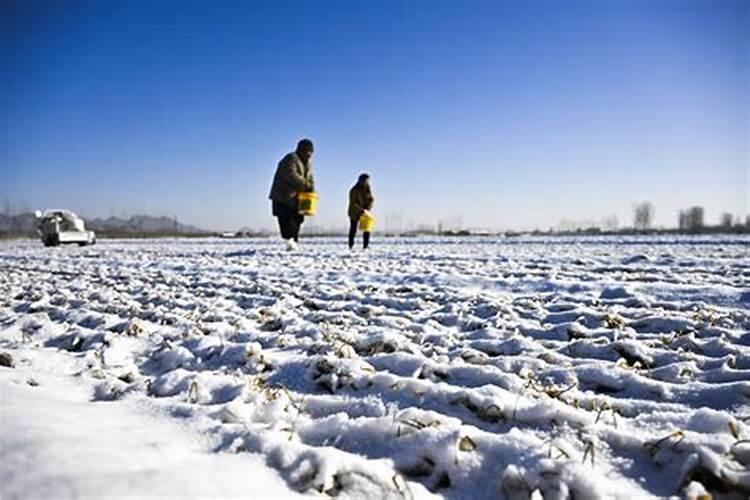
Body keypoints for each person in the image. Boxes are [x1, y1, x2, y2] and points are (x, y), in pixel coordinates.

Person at [269, 139, 315, 250]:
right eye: (307, 151)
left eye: (311, 152)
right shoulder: (291, 159)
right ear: (300, 150)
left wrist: (311, 188)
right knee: (287, 220)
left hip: (296, 198)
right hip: (283, 196)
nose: (309, 154)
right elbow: (290, 174)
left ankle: (294, 243)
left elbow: (310, 178)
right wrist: (305, 184)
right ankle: (289, 243)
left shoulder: (308, 163)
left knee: (298, 220)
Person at [347, 173, 374, 250]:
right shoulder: (354, 190)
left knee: (367, 228)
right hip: (354, 212)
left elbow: (371, 199)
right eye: (365, 180)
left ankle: (365, 245)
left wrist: (368, 208)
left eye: (367, 180)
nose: (366, 182)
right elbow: (353, 203)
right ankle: (351, 245)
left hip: (364, 212)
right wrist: (361, 210)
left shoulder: (368, 189)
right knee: (353, 228)